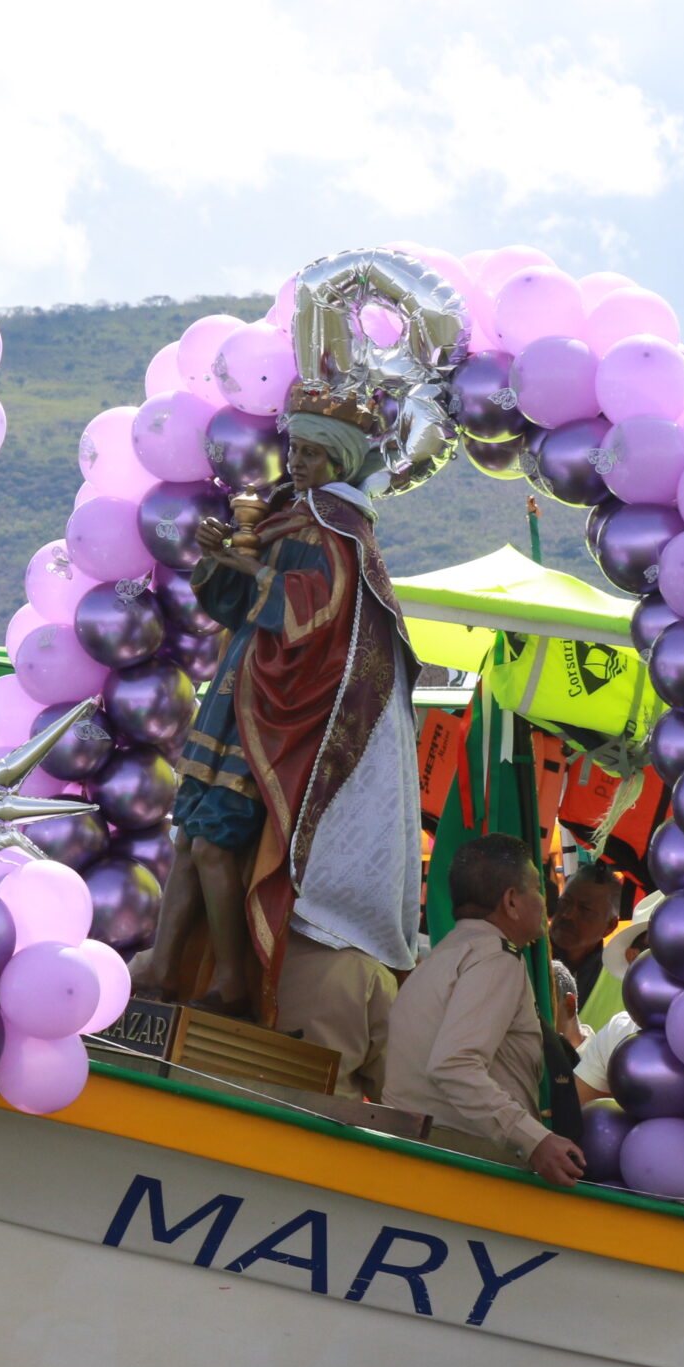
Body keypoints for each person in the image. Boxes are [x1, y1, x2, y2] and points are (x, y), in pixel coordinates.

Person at [131, 385, 423, 1022]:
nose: (299, 463)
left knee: (215, 843)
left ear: (342, 462)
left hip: (278, 706)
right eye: (297, 448)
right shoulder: (289, 512)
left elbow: (316, 613)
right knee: (191, 836)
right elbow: (236, 606)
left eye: (316, 454)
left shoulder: (339, 530)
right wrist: (219, 561)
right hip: (242, 684)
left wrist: (249, 570)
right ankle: (163, 963)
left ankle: (232, 978)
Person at [382, 833, 584, 1187]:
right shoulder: (495, 959)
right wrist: (534, 1140)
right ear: (511, 901)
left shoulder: (440, 958)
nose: (544, 901)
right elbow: (454, 1065)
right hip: (459, 1169)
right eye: (538, 888)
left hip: (416, 1157)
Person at [272, 929, 394, 1099]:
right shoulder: (373, 975)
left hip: (238, 1104)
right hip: (324, 1118)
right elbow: (388, 1086)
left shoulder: (260, 943)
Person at [572, 891, 663, 1105]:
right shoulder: (618, 1030)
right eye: (658, 946)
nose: (673, 958)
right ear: (632, 956)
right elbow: (576, 1110)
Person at [549, 863, 623, 1010]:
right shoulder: (525, 957)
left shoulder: (621, 981)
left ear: (610, 926)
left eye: (585, 910)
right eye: (565, 902)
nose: (567, 915)